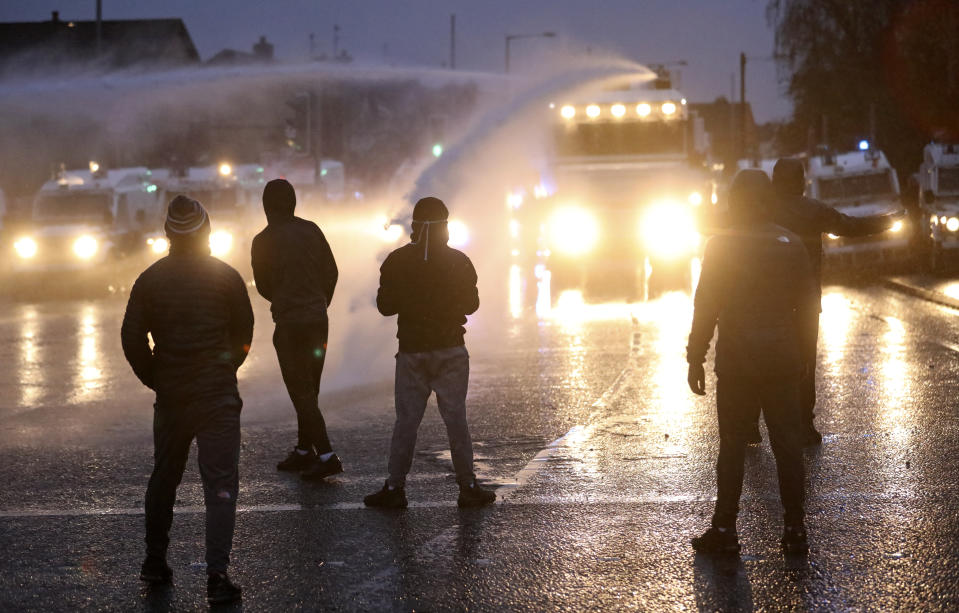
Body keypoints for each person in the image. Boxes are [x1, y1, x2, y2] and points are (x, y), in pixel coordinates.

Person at [122, 196, 253, 605]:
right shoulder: (226, 277)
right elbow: (245, 332)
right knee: (220, 485)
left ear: (168, 235)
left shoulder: (150, 279)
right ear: (206, 232)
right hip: (216, 397)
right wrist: (226, 369)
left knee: (165, 478)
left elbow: (131, 338)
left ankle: (155, 562)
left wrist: (157, 378)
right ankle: (217, 575)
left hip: (173, 396)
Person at [686, 170, 818, 554]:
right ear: (768, 202)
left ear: (734, 202)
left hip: (739, 361)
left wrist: (695, 357)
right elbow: (807, 309)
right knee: (788, 445)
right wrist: (803, 357)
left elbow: (705, 306)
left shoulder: (721, 245)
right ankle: (795, 529)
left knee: (731, 445)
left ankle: (725, 529)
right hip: (782, 358)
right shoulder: (791, 243)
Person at [744, 158, 899, 446]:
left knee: (758, 360)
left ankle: (750, 423)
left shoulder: (760, 210)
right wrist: (888, 221)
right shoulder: (813, 210)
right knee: (803, 362)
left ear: (774, 181)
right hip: (804, 300)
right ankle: (803, 424)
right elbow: (849, 226)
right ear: (801, 181)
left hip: (763, 300)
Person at [364, 196, 496, 509]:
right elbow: (472, 305)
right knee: (456, 421)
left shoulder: (396, 261)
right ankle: (468, 486)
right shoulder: (459, 261)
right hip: (450, 350)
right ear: (445, 227)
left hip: (411, 352)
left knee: (406, 422)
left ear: (414, 226)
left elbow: (385, 307)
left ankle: (395, 487)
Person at [251, 179, 342, 481]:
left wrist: (283, 298)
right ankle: (305, 450)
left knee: (300, 391)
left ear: (266, 207)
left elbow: (262, 284)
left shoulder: (262, 241)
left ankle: (327, 455)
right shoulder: (312, 230)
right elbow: (332, 271)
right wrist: (319, 302)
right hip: (318, 320)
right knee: (310, 389)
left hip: (290, 324)